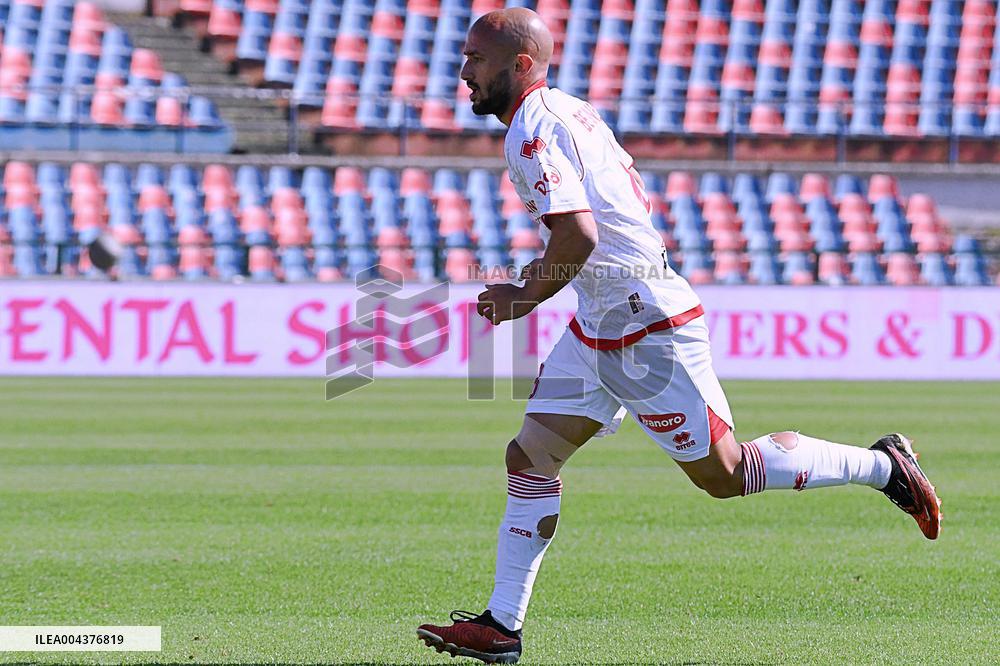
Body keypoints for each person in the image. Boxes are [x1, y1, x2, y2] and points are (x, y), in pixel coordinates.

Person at [417, 8, 941, 665]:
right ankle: (501, 625)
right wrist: (537, 282)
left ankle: (884, 466)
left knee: (724, 476)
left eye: (476, 59)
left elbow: (580, 233)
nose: (463, 70)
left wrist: (523, 297)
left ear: (520, 64)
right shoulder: (560, 111)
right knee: (530, 458)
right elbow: (595, 223)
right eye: (464, 57)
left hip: (645, 327)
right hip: (602, 320)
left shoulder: (534, 127)